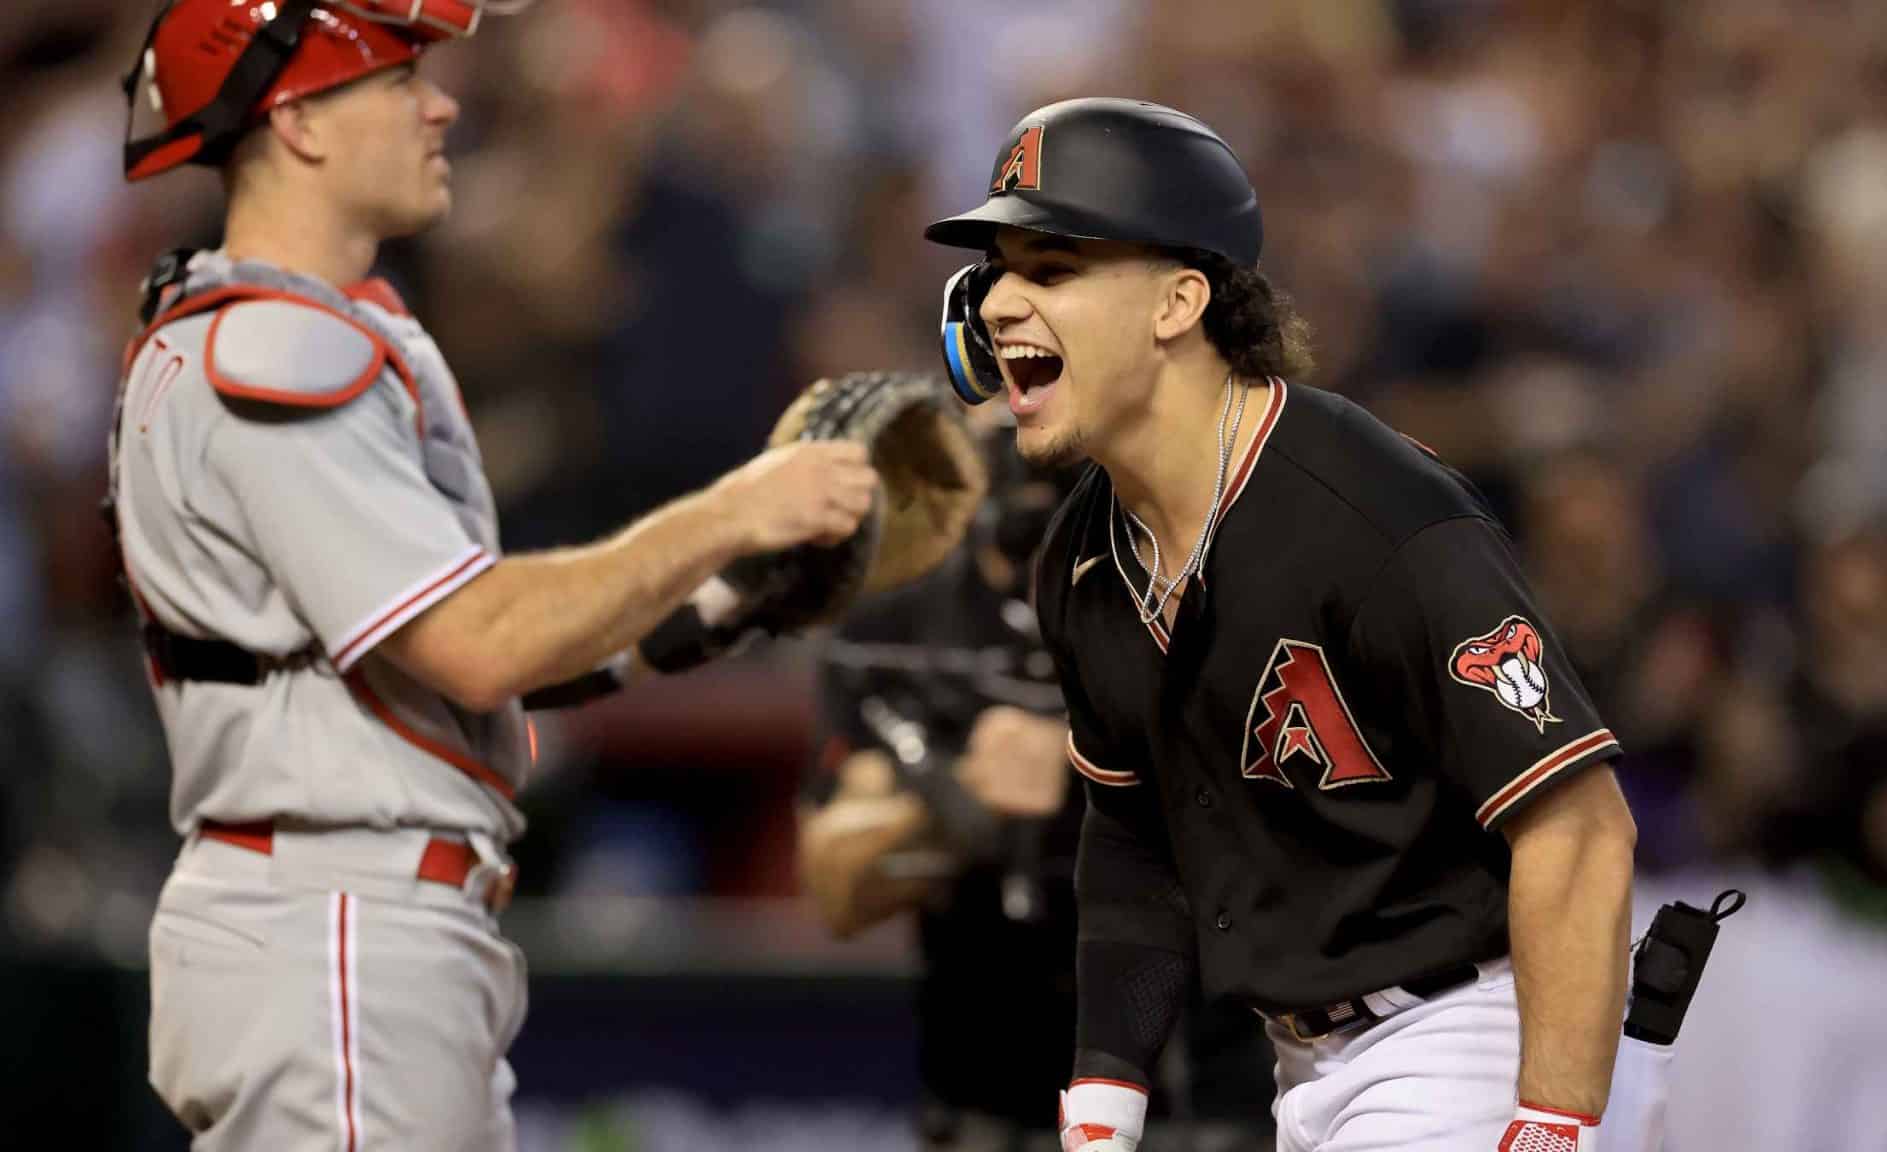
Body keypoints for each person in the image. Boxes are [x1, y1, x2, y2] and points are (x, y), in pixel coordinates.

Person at [111, 3, 877, 1148]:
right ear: (302, 120)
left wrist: (719, 597)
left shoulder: (324, 331)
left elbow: (464, 673)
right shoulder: (267, 351)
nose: (442, 103)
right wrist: (729, 510)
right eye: (397, 79)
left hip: (369, 923)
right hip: (335, 925)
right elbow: (475, 640)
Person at [923, 98, 1697, 1152]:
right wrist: (1103, 1104)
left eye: (1050, 269)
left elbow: (1577, 825)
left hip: (1477, 1028)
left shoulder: (1370, 516)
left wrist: (1549, 1121)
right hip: (1305, 1071)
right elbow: (1136, 842)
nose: (998, 303)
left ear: (1176, 303)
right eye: (997, 272)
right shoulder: (1083, 555)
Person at [799, 428, 1276, 1151]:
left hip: (1205, 1095)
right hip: (993, 1093)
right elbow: (838, 889)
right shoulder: (897, 632)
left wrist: (1096, 767)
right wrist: (963, 795)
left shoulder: (1225, 598)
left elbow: (1311, 846)